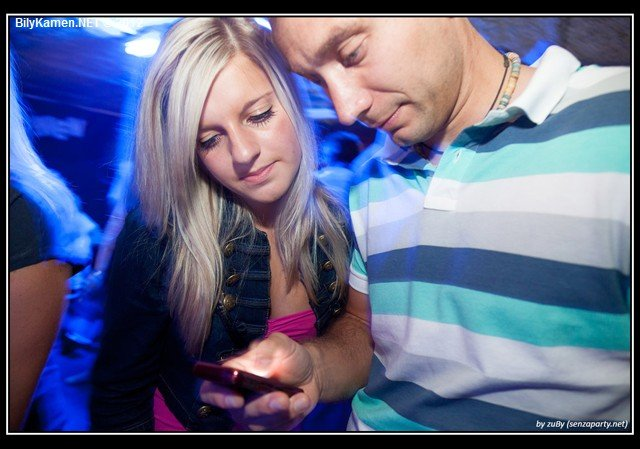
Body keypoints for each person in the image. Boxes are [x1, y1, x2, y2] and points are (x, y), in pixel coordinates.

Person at [200, 18, 631, 431]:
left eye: (352, 53)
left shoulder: (617, 125)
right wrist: (313, 367)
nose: (346, 108)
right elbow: (365, 332)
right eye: (317, 81)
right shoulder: (370, 179)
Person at [90, 17, 353, 432]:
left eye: (259, 115)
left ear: (291, 98)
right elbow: (118, 396)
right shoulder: (159, 236)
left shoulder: (341, 220)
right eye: (210, 139)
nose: (243, 153)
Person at [9, 56, 95, 431]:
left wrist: (80, 281)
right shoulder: (49, 193)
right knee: (48, 383)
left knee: (48, 384)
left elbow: (81, 245)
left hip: (53, 289)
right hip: (58, 290)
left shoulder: (31, 209)